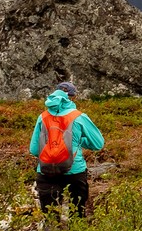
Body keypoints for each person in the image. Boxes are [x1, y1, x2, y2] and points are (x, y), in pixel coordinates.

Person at [28, 81, 104, 217]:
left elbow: (34, 150)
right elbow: (98, 144)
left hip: (46, 171)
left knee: (50, 218)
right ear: (72, 97)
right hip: (75, 171)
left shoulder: (42, 117)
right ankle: (75, 230)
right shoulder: (79, 117)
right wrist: (78, 141)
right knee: (77, 215)